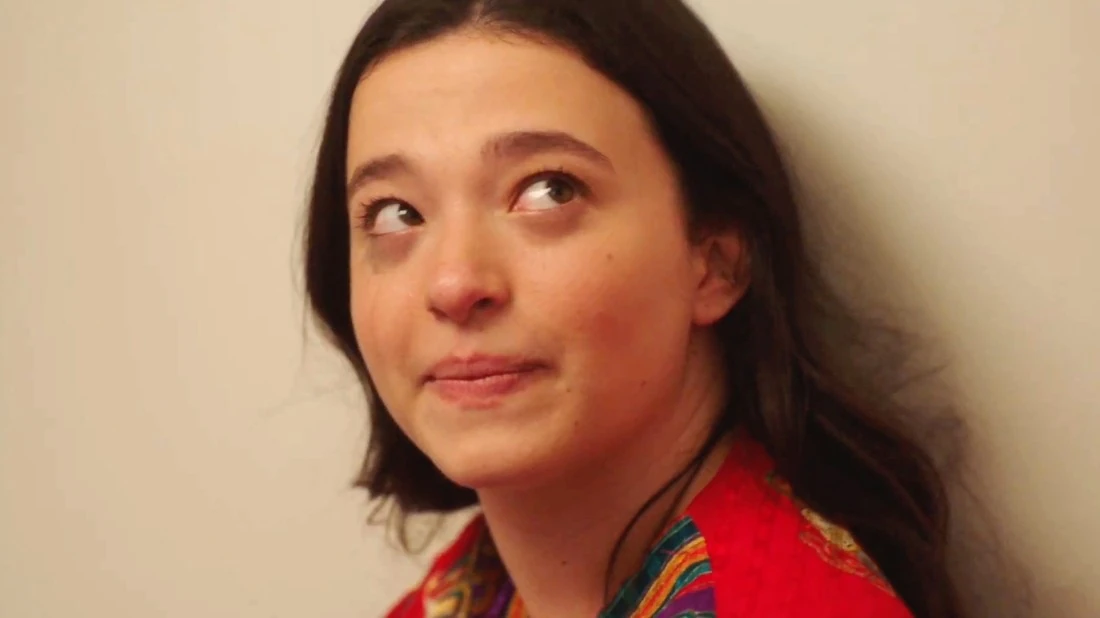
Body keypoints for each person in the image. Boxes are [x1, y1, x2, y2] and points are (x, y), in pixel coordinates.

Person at [303, 0, 965, 616]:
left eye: (549, 190)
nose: (453, 284)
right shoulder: (470, 591)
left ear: (716, 261)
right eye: (396, 213)